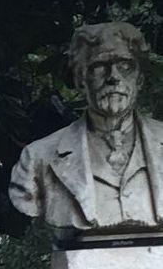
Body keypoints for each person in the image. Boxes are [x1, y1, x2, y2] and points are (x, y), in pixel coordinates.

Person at [9, 21, 163, 233]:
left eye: (125, 66)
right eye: (99, 67)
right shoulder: (37, 158)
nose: (113, 78)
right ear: (81, 81)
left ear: (140, 80)